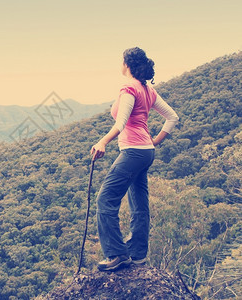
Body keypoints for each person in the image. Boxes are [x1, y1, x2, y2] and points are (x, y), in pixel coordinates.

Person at [91, 47, 179, 271]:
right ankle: (138, 254)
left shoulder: (129, 88)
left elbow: (120, 124)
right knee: (139, 203)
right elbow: (172, 117)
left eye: (121, 61)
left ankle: (116, 254)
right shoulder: (147, 90)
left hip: (133, 151)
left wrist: (102, 142)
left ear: (127, 64)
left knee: (105, 200)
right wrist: (154, 142)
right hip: (146, 152)